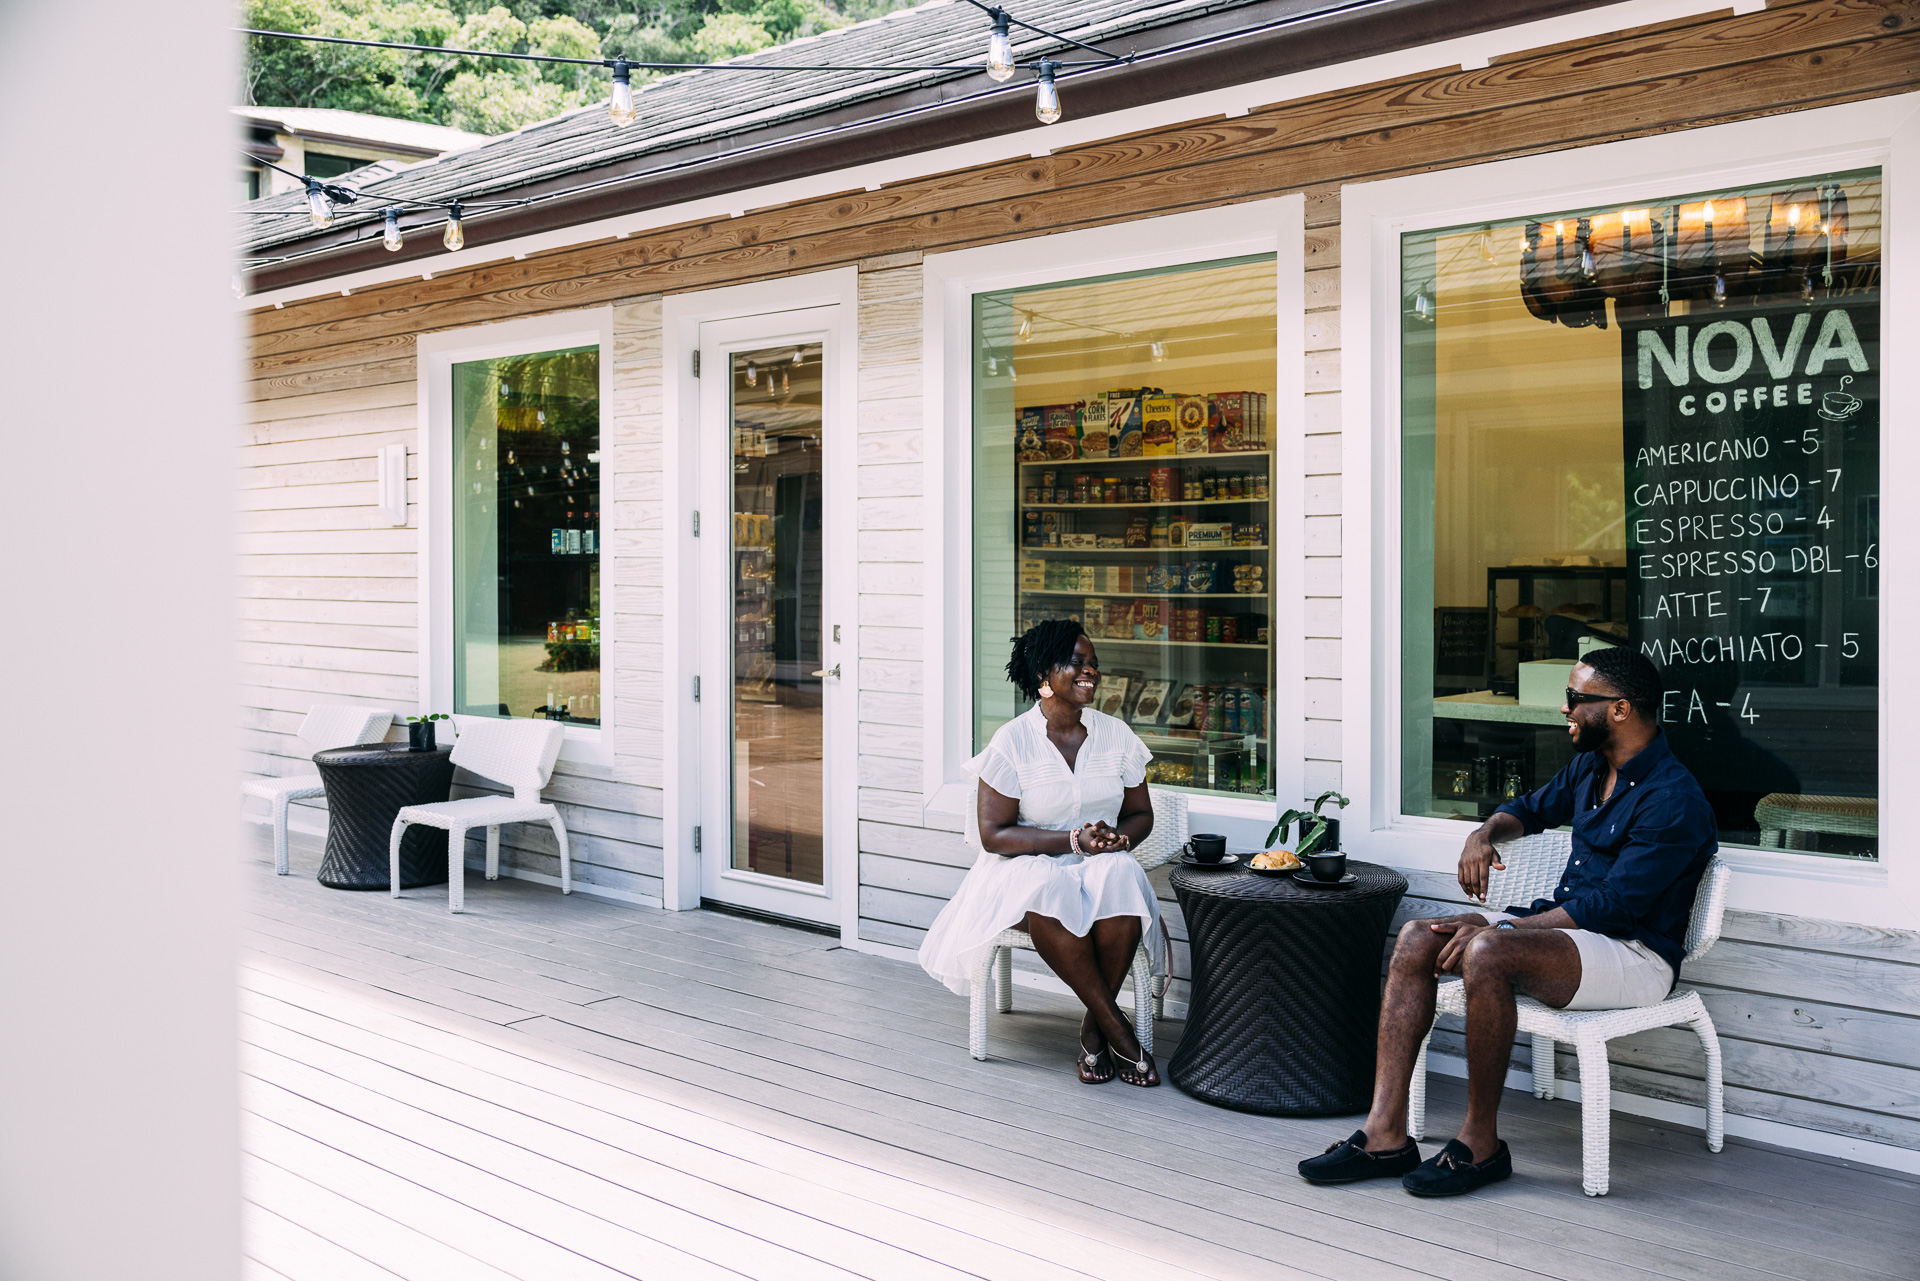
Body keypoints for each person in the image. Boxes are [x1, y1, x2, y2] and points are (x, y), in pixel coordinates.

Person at [1299, 645, 1716, 1196]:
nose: (1564, 710)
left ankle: (1480, 1145)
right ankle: (1385, 1134)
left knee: (1488, 950)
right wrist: (1482, 834)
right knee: (1417, 938)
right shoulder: (1593, 767)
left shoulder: (1674, 798)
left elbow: (1614, 907)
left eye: (1574, 698)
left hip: (1635, 952)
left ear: (1619, 709)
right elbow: (1530, 809)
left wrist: (1508, 930)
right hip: (1574, 936)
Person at [918, 619, 1165, 1086]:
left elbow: (1141, 814)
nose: (1090, 671)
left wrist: (1116, 838)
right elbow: (995, 834)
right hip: (1024, 870)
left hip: (1095, 863)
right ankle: (1117, 1028)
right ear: (1041, 676)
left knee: (1119, 873)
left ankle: (1096, 1032)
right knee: (1047, 884)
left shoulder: (1116, 736)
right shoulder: (1011, 742)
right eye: (1076, 663)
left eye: (1093, 664)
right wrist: (1073, 840)